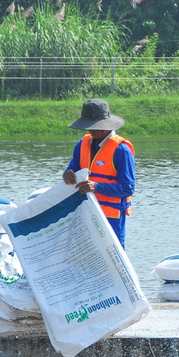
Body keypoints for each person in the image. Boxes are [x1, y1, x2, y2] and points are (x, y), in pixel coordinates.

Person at [62, 98, 135, 247]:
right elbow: (72, 169)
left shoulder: (121, 150)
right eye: (88, 126)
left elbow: (128, 188)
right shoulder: (82, 144)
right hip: (85, 213)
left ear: (106, 126)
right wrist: (67, 174)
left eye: (94, 126)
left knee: (114, 260)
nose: (90, 130)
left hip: (111, 218)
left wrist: (97, 186)